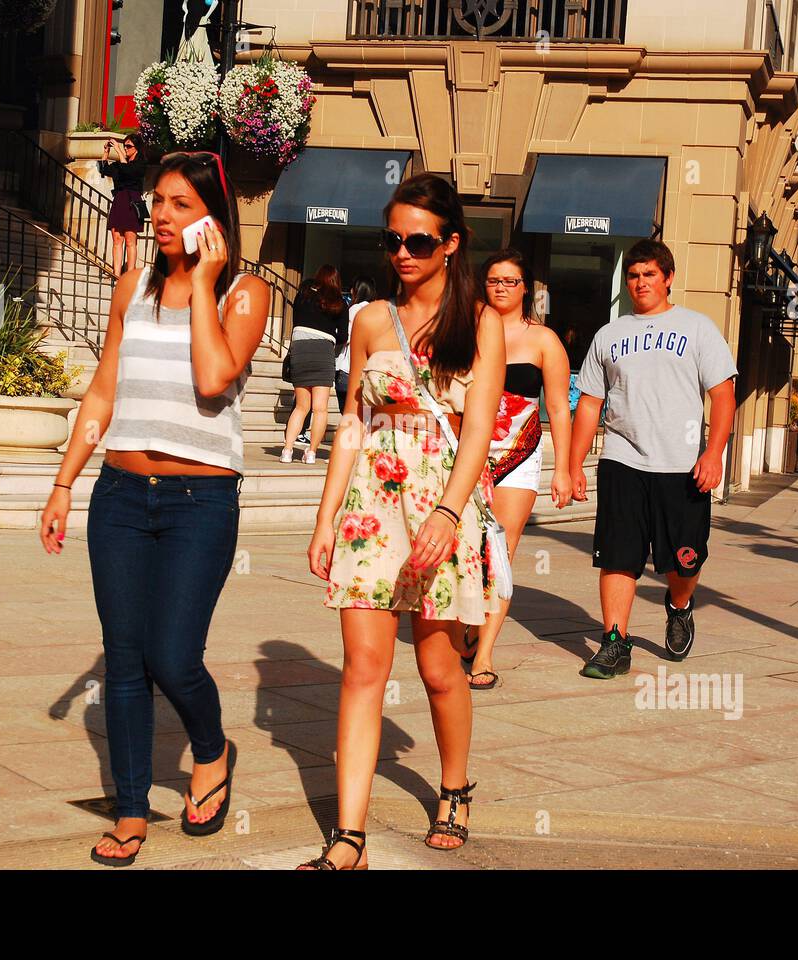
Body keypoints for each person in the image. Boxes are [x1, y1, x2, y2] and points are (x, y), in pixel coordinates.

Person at [39, 151, 269, 866]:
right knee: (127, 660)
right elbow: (105, 386)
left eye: (179, 204)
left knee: (174, 654)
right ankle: (132, 808)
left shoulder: (244, 295)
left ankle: (211, 748)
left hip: (200, 500)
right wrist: (65, 480)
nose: (161, 216)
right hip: (120, 496)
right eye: (156, 203)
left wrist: (202, 282)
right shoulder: (130, 284)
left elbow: (212, 379)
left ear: (212, 218)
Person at [301, 173, 505, 869]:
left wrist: (450, 511)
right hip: (372, 505)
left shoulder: (481, 321)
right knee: (362, 667)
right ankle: (349, 837)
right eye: (393, 239)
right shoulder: (367, 321)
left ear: (452, 243)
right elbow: (354, 426)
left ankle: (454, 787)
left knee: (440, 670)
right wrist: (327, 517)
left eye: (419, 240)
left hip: (442, 504)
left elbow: (478, 430)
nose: (403, 252)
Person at [568, 238, 737, 677]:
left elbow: (723, 396)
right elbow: (589, 404)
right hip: (622, 461)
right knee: (617, 556)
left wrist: (714, 453)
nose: (640, 283)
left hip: (682, 467)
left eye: (649, 275)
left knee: (685, 559)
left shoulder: (697, 328)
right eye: (633, 275)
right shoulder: (609, 334)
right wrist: (573, 465)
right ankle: (614, 642)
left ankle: (679, 605)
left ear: (668, 279)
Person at [460, 249, 573, 690]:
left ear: (526, 288)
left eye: (510, 280)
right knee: (463, 550)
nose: (501, 287)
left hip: (519, 457)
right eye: (493, 280)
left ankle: (484, 653)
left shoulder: (544, 341)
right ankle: (466, 626)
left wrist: (564, 469)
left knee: (499, 556)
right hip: (465, 453)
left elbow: (560, 409)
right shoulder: (466, 330)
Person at [281, 265, 348, 464]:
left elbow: (295, 321)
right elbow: (343, 336)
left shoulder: (303, 296)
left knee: (301, 406)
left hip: (300, 348)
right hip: (323, 351)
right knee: (320, 408)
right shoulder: (339, 303)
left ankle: (287, 450)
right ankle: (311, 453)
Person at [98, 133, 147, 277]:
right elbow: (103, 169)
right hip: (120, 199)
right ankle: (116, 274)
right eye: (124, 146)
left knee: (131, 240)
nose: (126, 149)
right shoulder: (119, 164)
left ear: (136, 148)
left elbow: (129, 172)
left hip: (132, 199)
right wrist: (106, 152)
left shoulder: (140, 164)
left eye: (129, 146)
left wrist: (119, 150)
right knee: (117, 239)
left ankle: (130, 275)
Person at [335, 276, 376, 415]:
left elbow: (346, 337)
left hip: (348, 369)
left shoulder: (354, 310)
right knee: (365, 416)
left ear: (357, 291)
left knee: (348, 413)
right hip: (370, 371)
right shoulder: (376, 310)